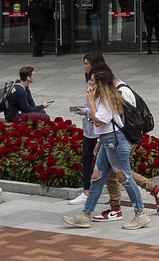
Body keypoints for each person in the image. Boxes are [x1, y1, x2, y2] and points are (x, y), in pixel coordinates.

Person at [63, 68, 152, 229]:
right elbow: (102, 123)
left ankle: (141, 214)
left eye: (92, 81)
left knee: (124, 177)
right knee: (96, 177)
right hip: (107, 140)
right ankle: (85, 215)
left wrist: (90, 100)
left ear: (100, 84)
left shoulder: (107, 99)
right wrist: (99, 141)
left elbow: (99, 121)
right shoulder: (101, 98)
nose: (89, 83)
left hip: (115, 142)